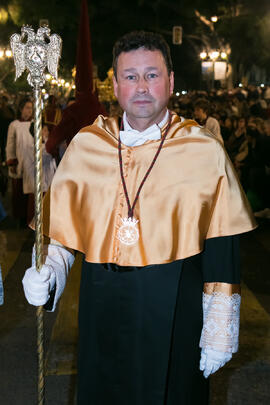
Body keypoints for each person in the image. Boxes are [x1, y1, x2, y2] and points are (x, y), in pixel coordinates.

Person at [22, 31, 256, 405]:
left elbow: (222, 244)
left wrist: (219, 329)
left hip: (176, 309)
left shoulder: (202, 148)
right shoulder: (87, 146)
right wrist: (49, 272)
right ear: (114, 86)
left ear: (171, 81)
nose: (142, 86)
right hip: (103, 305)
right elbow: (64, 234)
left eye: (152, 74)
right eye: (131, 76)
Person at [5, 98, 33, 226]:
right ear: (21, 109)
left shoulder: (35, 123)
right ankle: (21, 219)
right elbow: (10, 144)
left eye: (31, 108)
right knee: (19, 193)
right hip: (20, 161)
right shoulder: (14, 124)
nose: (29, 111)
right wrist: (12, 161)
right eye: (27, 107)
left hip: (32, 162)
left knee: (31, 194)